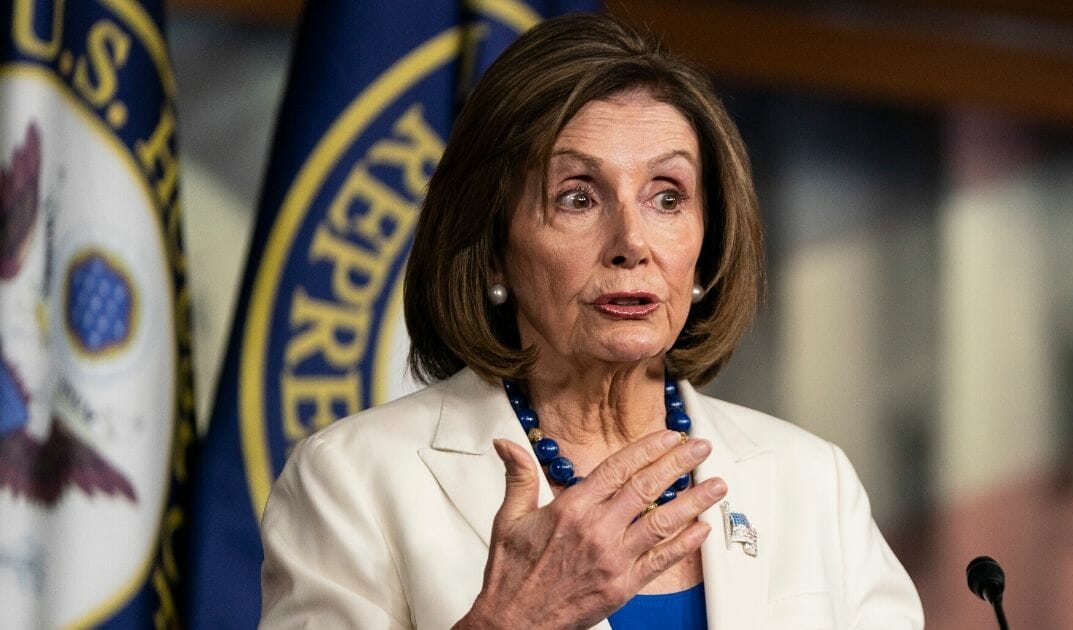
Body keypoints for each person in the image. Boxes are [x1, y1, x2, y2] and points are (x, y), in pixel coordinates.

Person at [258, 13, 923, 629]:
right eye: (577, 197)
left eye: (668, 197)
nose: (632, 241)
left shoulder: (813, 480)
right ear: (493, 250)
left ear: (706, 244)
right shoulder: (352, 480)